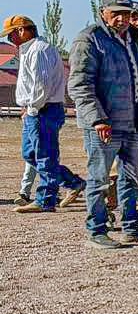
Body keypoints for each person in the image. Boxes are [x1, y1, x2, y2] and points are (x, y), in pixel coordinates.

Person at [69, 0, 138, 248]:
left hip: (133, 123)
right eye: (115, 13)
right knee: (99, 179)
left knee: (131, 178)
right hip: (104, 125)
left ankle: (131, 226)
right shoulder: (89, 39)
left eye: (126, 13)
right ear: (102, 13)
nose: (121, 18)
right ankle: (96, 230)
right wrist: (97, 119)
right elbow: (80, 85)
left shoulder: (135, 39)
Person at [8, 15, 84, 214]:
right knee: (30, 154)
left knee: (44, 155)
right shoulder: (30, 50)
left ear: (22, 30)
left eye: (11, 35)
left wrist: (32, 108)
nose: (10, 40)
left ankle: (45, 199)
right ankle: (72, 182)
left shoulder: (39, 50)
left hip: (43, 110)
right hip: (36, 109)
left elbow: (41, 85)